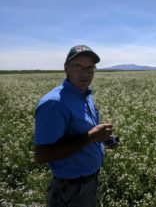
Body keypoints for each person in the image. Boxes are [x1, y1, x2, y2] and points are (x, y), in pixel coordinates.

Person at [34, 45, 117, 207]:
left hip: (89, 182)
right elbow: (42, 155)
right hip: (70, 190)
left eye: (90, 68)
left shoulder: (84, 94)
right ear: (66, 68)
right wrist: (91, 137)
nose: (85, 73)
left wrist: (103, 138)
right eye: (78, 67)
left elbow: (83, 131)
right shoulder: (54, 103)